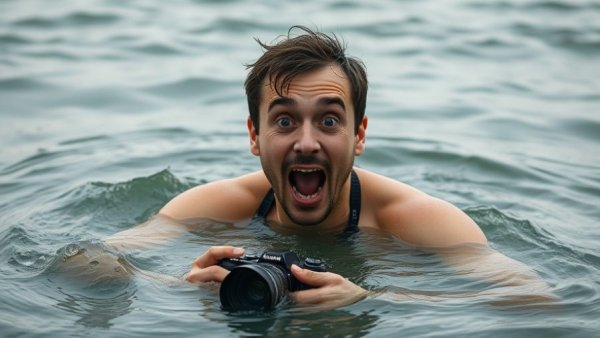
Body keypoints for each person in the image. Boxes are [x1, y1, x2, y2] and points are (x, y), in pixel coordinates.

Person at [106, 25, 555, 308]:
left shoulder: (416, 219)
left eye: (328, 120)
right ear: (254, 135)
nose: (306, 143)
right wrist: (174, 285)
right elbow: (87, 260)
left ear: (358, 135)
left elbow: (536, 299)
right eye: (284, 120)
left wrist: (375, 299)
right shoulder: (217, 205)